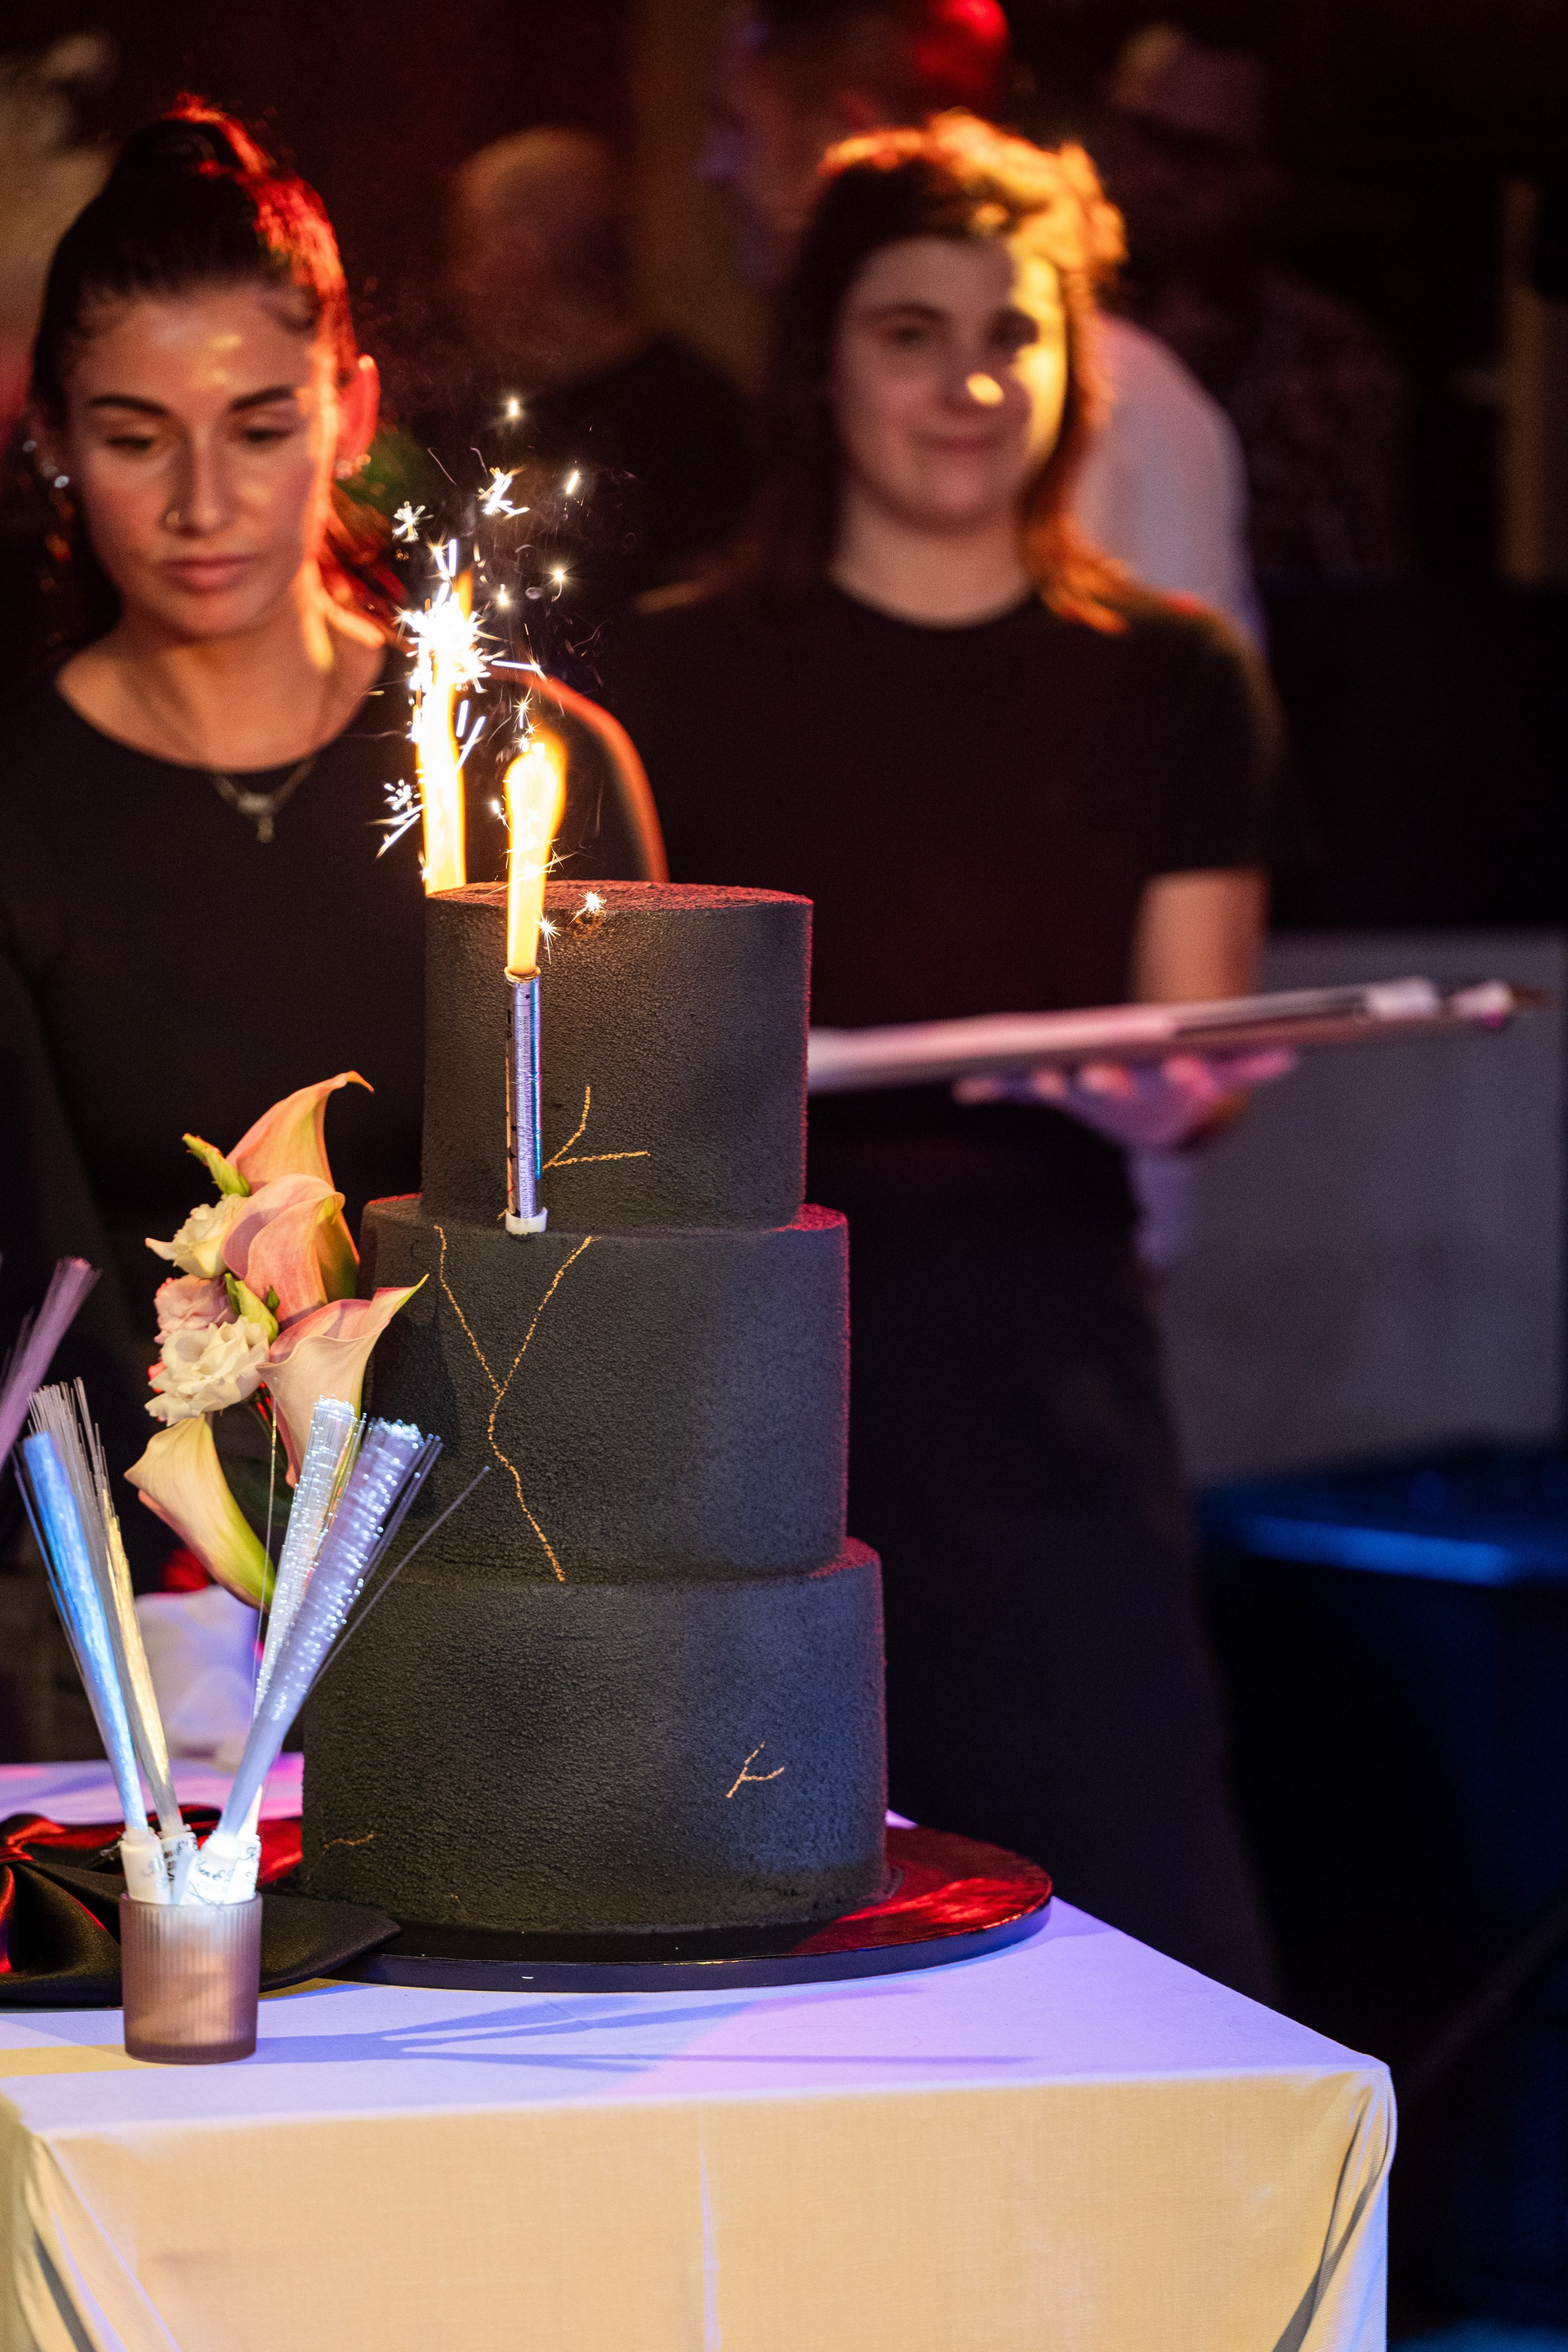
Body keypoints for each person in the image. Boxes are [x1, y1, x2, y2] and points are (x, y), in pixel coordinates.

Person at [608, 114, 1283, 1994]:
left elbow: (1195, 1032)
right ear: (821, 360)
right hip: (744, 1406)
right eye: (911, 333)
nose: (970, 384)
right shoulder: (665, 682)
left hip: (1048, 1390)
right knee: (739, 1950)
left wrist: (1183, 1095)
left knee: (1129, 1941)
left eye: (1012, 334)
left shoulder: (1176, 676)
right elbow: (599, 1061)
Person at [0, 105, 650, 1575]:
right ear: (50, 438)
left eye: (260, 427)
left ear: (351, 414)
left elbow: (633, 1220)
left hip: (519, 1545)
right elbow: (32, 1292)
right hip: (134, 1581)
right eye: (135, 438)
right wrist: (192, 1582)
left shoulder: (529, 766)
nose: (203, 503)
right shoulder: (23, 803)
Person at [702, 0, 1263, 640]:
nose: (713, 168)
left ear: (852, 130)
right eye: (909, 338)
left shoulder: (1128, 402)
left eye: (737, 127)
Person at [1097, 24, 1411, 591]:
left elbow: (1351, 598)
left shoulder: (1322, 360)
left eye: (1202, 156)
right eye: (1146, 136)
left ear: (1266, 177)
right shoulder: (1023, 322)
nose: (1162, 178)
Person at [428, 127, 752, 651]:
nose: (458, 279)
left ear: (521, 254)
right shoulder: (473, 418)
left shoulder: (701, 425)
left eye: (468, 247)